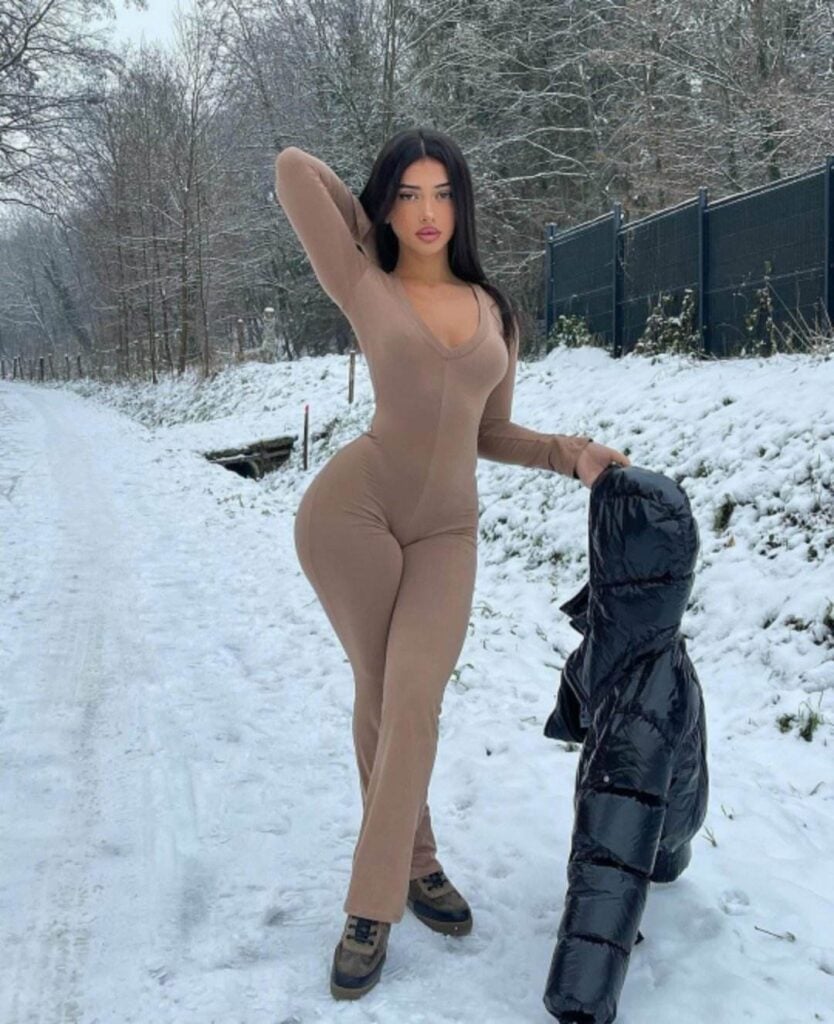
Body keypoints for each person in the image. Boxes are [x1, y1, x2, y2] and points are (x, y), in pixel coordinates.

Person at [273, 127, 631, 1001]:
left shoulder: (493, 310)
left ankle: (404, 864)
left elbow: (490, 432)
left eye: (441, 193)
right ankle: (388, 892)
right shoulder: (365, 279)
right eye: (408, 194)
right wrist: (369, 229)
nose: (427, 212)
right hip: (351, 514)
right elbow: (293, 169)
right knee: (382, 696)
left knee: (413, 699)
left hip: (446, 531)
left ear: (462, 205)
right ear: (386, 206)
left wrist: (571, 453)